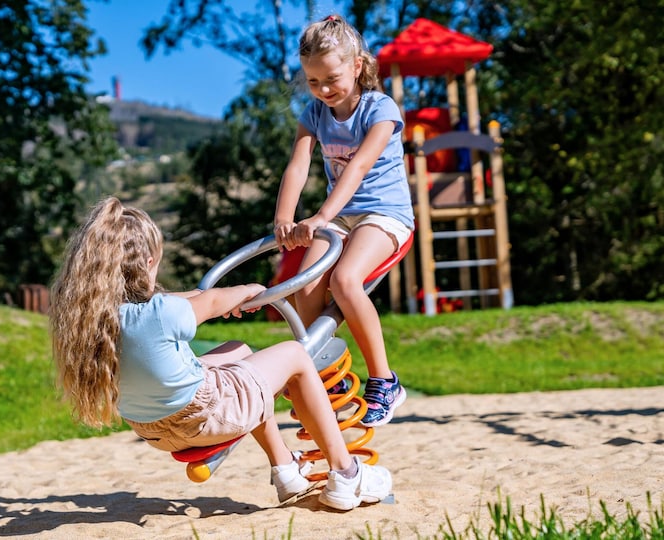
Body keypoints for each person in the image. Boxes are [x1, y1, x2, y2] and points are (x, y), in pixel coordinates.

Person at [48, 197, 392, 510]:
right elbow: (211, 301)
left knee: (238, 352)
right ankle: (346, 474)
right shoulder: (162, 313)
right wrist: (249, 290)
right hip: (203, 418)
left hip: (153, 430)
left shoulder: (97, 317)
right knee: (295, 356)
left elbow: (183, 300)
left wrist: (219, 298)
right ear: (149, 263)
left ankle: (286, 468)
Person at [272, 15, 414, 428]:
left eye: (331, 79)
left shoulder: (380, 109)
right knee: (305, 287)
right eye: (313, 82)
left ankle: (385, 381)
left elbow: (358, 167)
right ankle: (328, 378)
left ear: (356, 66)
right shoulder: (315, 114)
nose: (323, 90)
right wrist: (284, 218)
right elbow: (298, 165)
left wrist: (320, 216)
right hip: (341, 216)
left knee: (345, 281)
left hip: (383, 213)